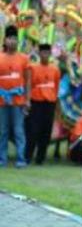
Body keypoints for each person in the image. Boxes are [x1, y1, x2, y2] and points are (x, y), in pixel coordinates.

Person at [0, 25, 31, 168]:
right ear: (5, 40)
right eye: (9, 38)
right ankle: (2, 158)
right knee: (3, 130)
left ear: (17, 41)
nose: (12, 41)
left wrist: (28, 100)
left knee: (19, 131)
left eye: (14, 39)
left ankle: (20, 159)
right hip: (2, 101)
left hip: (18, 101)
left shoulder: (24, 59)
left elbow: (28, 81)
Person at [24, 43, 61, 165]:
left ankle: (40, 159)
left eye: (47, 53)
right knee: (33, 131)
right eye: (43, 53)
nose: (45, 55)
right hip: (37, 103)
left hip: (49, 103)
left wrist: (55, 101)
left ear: (50, 54)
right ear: (39, 54)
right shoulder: (33, 68)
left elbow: (56, 86)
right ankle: (27, 157)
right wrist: (28, 100)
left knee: (46, 131)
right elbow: (29, 84)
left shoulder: (55, 69)